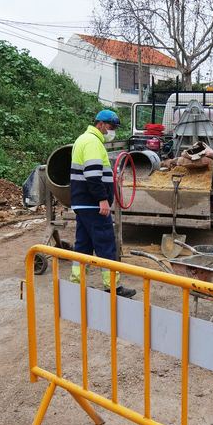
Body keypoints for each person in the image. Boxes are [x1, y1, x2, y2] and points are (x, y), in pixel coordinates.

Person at [69, 109, 137, 298]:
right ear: (100, 124)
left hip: (82, 203)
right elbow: (92, 175)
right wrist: (102, 200)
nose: (112, 130)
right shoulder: (92, 142)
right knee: (106, 244)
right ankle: (113, 287)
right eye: (111, 126)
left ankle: (76, 284)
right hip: (94, 205)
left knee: (83, 245)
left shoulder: (82, 139)